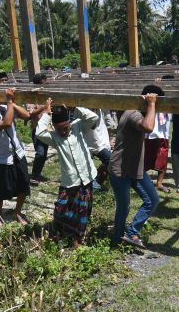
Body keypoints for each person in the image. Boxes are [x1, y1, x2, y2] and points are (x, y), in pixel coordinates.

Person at [35, 101, 100, 246]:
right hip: (69, 180)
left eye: (65, 127)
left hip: (86, 176)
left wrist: (75, 108)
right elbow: (39, 132)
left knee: (83, 210)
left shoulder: (78, 126)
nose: (63, 132)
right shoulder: (54, 137)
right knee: (61, 209)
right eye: (59, 129)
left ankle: (77, 238)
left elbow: (93, 118)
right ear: (54, 127)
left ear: (70, 122)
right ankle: (60, 233)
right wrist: (47, 113)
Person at [109, 87, 161, 248]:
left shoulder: (132, 112)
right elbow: (148, 127)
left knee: (152, 200)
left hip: (134, 167)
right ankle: (116, 242)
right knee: (123, 208)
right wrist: (152, 104)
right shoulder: (133, 114)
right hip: (120, 169)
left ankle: (131, 232)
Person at [0, 90, 32, 225]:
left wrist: (12, 104)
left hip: (18, 153)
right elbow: (7, 123)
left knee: (23, 184)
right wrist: (9, 101)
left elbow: (26, 115)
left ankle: (17, 211)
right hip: (1, 158)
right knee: (0, 188)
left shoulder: (4, 108)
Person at [143, 90, 171, 192]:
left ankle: (159, 183)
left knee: (162, 159)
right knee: (145, 159)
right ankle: (143, 181)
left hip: (163, 134)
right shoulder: (148, 102)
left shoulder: (168, 102)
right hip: (149, 135)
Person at [27, 73, 51, 184]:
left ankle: (37, 174)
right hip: (37, 128)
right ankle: (35, 176)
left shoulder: (49, 95)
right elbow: (30, 114)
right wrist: (44, 107)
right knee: (40, 153)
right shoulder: (32, 97)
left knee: (44, 153)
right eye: (44, 82)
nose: (46, 84)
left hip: (50, 129)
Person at [82, 108, 114, 190]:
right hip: (92, 140)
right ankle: (93, 183)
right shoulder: (84, 108)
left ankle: (95, 182)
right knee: (111, 161)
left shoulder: (101, 107)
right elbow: (92, 124)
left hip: (101, 138)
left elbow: (107, 121)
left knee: (110, 162)